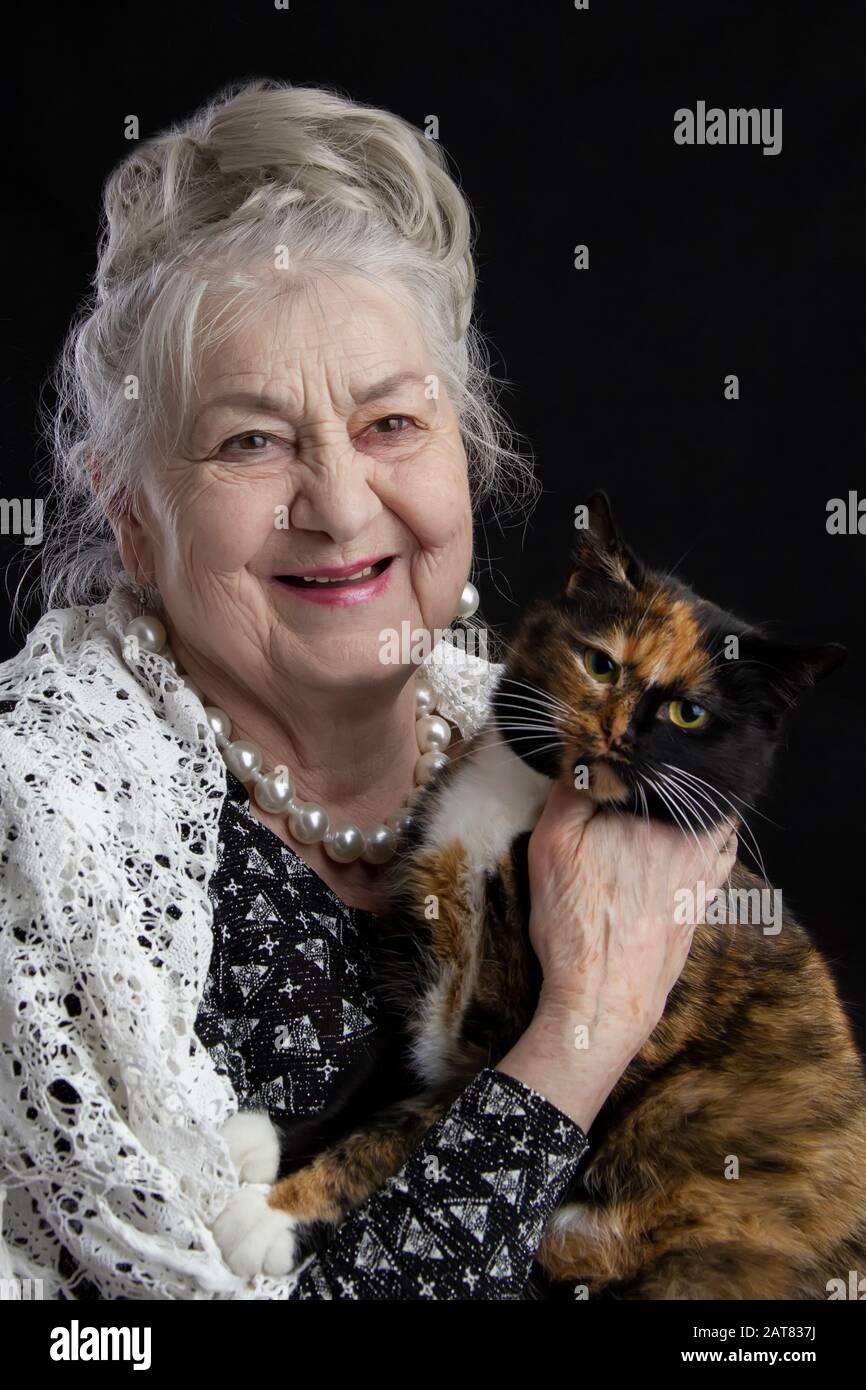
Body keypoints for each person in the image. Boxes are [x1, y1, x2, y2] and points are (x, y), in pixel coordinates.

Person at [0, 79, 734, 1300]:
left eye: (389, 422)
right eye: (251, 442)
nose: (340, 508)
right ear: (132, 514)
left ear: (467, 449)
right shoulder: (47, 823)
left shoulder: (564, 756)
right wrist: (578, 1041)